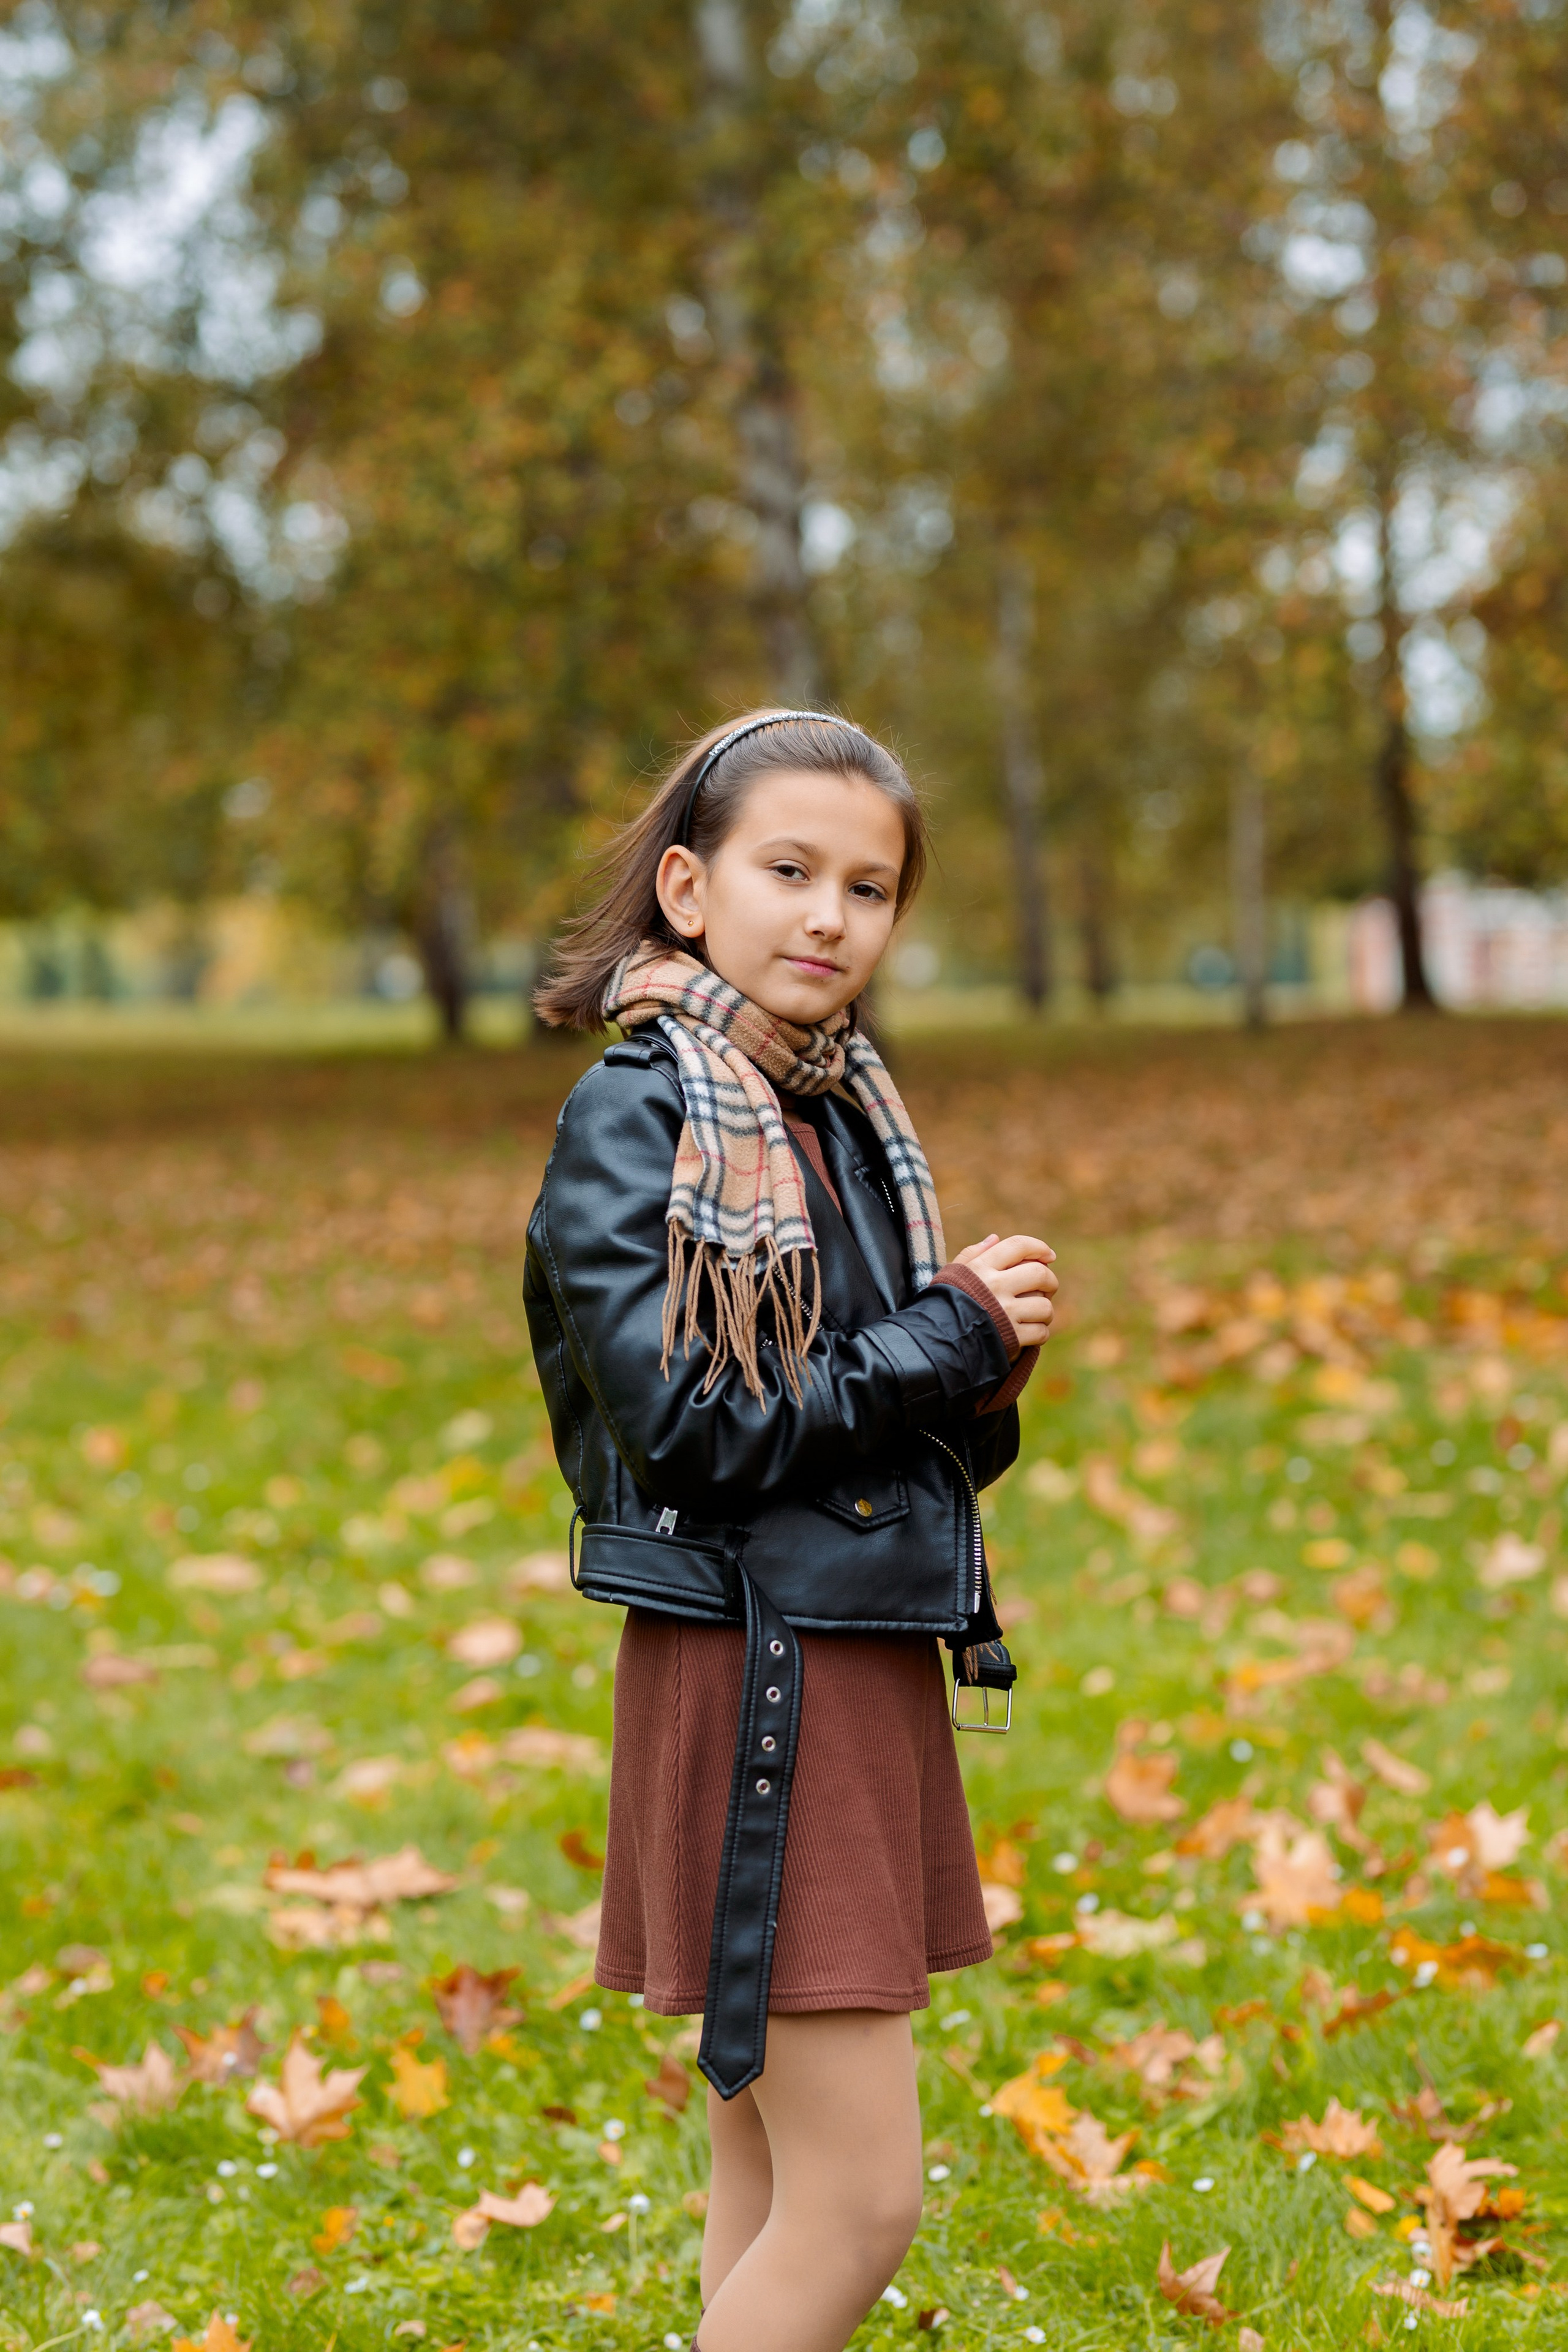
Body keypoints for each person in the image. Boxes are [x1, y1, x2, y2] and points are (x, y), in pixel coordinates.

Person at [524, 709, 1057, 2352]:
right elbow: (696, 1431)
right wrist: (939, 1340)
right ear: (689, 889)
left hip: (849, 1649)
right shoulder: (643, 1118)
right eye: (791, 870)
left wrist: (980, 1374)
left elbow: (868, 1429)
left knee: (763, 2165)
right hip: (762, 1664)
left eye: (872, 887)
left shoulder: (834, 1121)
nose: (833, 915)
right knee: (859, 2199)